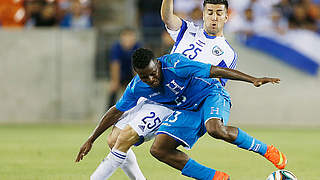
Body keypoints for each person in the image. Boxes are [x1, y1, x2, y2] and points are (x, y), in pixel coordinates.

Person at [76, 48, 286, 180]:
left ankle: (265, 149)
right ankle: (214, 177)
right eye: (145, 77)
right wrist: (91, 139)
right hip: (186, 110)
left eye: (153, 73)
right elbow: (115, 112)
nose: (151, 79)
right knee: (158, 149)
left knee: (215, 129)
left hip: (210, 94)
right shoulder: (137, 86)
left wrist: (253, 79)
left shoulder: (176, 64)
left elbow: (214, 70)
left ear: (157, 64)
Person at [107, 27, 141, 108]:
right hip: (120, 74)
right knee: (113, 89)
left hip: (132, 74)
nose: (128, 39)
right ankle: (108, 112)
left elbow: (137, 66)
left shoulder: (137, 47)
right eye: (126, 37)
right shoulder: (116, 47)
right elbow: (115, 65)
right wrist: (115, 81)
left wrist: (136, 82)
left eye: (131, 36)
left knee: (138, 90)